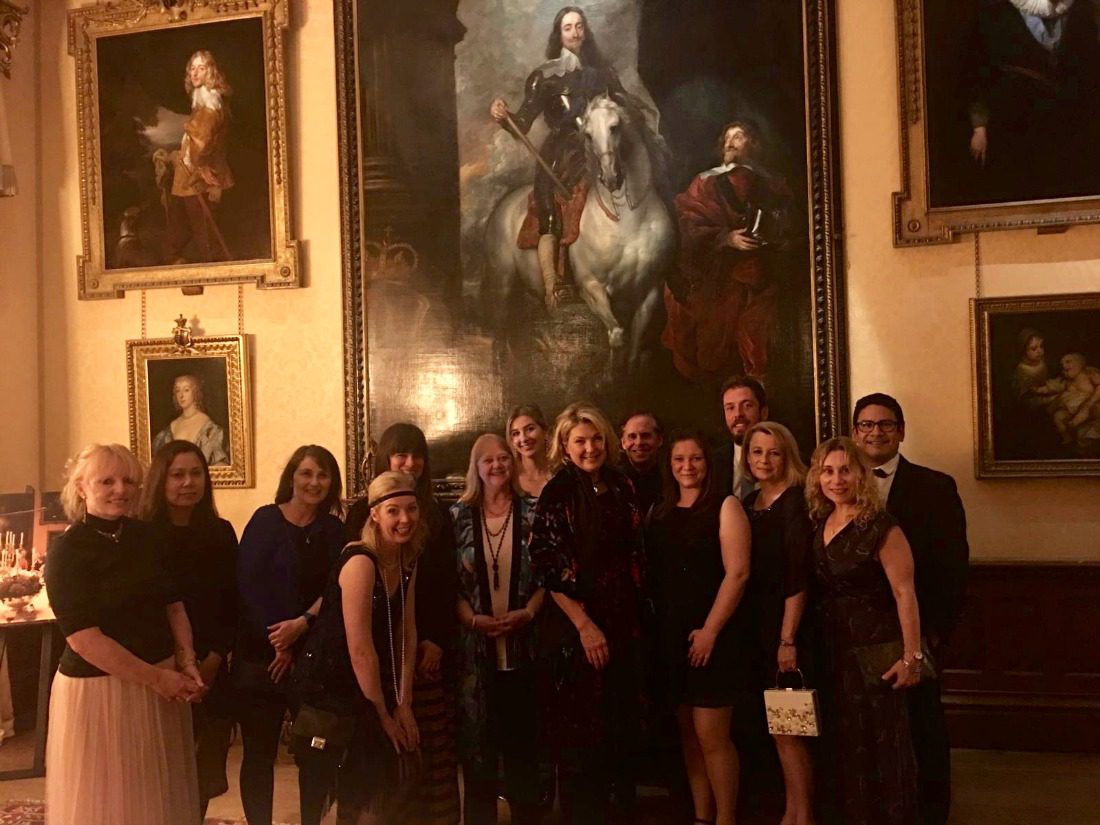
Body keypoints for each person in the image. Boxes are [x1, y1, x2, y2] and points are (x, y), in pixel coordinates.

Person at [45, 443, 202, 825]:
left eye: (129, 480)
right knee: (110, 800)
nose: (121, 489)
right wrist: (158, 678)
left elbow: (173, 605)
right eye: (107, 481)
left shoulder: (145, 536)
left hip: (160, 682)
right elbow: (84, 638)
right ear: (81, 488)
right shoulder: (67, 551)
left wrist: (186, 661)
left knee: (155, 795)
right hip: (99, 691)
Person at [851, 394, 969, 825]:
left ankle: (932, 813)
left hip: (913, 630)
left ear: (900, 431)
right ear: (854, 433)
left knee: (923, 730)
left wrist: (931, 636)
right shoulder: (834, 483)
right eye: (866, 425)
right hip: (853, 632)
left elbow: (952, 565)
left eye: (885, 425)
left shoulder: (935, 487)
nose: (876, 432)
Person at [529, 401, 645, 823]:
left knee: (619, 731)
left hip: (622, 623)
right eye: (580, 440)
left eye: (596, 438)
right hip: (576, 630)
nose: (590, 447)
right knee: (581, 741)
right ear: (564, 445)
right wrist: (585, 626)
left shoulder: (621, 484)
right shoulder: (558, 491)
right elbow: (547, 567)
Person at [346, 423, 460, 824]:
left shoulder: (437, 513)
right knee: (380, 766)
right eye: (401, 455)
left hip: (420, 652)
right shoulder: (360, 517)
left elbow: (446, 584)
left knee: (428, 753)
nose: (410, 463)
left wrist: (436, 640)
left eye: (417, 455)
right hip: (373, 654)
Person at [806, 437, 923, 825]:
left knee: (883, 754)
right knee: (845, 752)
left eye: (845, 470)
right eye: (827, 471)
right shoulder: (821, 521)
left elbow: (905, 593)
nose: (836, 479)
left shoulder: (882, 526)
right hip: (832, 653)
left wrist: (912, 658)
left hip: (876, 656)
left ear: (861, 474)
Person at [295, 471, 422, 825]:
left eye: (411, 509)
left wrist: (405, 703)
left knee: (378, 793)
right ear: (375, 515)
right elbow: (360, 649)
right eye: (394, 511)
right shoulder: (360, 562)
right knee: (346, 797)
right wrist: (384, 715)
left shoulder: (405, 559)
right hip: (335, 688)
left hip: (372, 684)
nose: (405, 519)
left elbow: (407, 633)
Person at [235, 445, 345, 825]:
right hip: (260, 657)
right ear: (292, 477)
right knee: (259, 754)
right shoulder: (265, 520)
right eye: (307, 473)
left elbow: (338, 587)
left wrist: (301, 627)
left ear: (332, 483)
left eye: (323, 475)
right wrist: (279, 643)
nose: (314, 482)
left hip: (314, 659)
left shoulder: (334, 530)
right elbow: (247, 586)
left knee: (315, 753)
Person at [646, 431, 751, 825]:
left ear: (709, 464)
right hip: (672, 637)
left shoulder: (725, 506)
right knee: (689, 737)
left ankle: (726, 819)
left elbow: (738, 574)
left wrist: (710, 630)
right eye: (679, 460)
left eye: (696, 459)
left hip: (714, 635)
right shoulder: (659, 510)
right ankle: (702, 818)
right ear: (668, 466)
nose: (687, 467)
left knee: (713, 737)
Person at [489, 6, 626, 308]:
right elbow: (522, 122)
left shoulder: (604, 74)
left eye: (579, 26)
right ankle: (553, 286)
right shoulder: (545, 77)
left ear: (586, 31)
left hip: (600, 150)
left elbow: (624, 109)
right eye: (568, 27)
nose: (575, 32)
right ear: (559, 34)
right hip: (561, 155)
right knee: (549, 208)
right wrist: (503, 115)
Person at [140, 440, 238, 820]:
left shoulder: (221, 532)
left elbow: (233, 603)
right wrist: (173, 667)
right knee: (160, 770)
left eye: (196, 473)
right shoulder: (141, 536)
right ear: (160, 480)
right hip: (159, 667)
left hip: (211, 668)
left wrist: (212, 660)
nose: (188, 482)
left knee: (203, 770)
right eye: (178, 474)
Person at [452, 434, 545, 825]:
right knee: (478, 752)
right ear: (476, 467)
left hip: (525, 646)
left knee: (524, 751)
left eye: (503, 457)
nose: (496, 465)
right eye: (487, 460)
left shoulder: (534, 512)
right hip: (475, 653)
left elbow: (548, 577)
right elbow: (448, 585)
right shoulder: (457, 516)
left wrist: (527, 613)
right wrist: (472, 620)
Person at [662, 121, 791, 383]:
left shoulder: (771, 184)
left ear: (753, 144)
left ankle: (757, 379)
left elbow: (788, 223)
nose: (730, 143)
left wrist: (772, 236)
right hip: (712, 270)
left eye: (739, 137)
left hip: (759, 269)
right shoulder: (706, 182)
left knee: (759, 316)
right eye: (727, 138)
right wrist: (726, 238)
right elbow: (689, 222)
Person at [740, 421, 815, 825]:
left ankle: (802, 816)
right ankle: (787, 810)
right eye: (756, 452)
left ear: (786, 455)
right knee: (772, 727)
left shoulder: (796, 500)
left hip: (786, 627)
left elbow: (797, 575)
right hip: (754, 625)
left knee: (790, 727)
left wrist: (787, 638)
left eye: (773, 452)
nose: (764, 460)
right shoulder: (750, 500)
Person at [962, 0, 1100, 204]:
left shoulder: (1084, 11)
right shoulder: (994, 14)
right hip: (1015, 124)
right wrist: (979, 126)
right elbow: (976, 74)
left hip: (1071, 125)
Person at [163, 50, 235, 263]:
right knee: (187, 226)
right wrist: (175, 156)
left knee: (205, 232)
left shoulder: (209, 108)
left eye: (201, 68)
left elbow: (201, 143)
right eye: (192, 68)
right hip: (191, 174)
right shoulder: (204, 103)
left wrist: (200, 166)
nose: (195, 73)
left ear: (210, 72)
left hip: (199, 178)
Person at [151, 373, 229, 466]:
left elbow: (221, 465)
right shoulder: (170, 428)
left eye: (186, 390)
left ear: (195, 392)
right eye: (177, 391)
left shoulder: (210, 428)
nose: (181, 395)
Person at [712, 375, 769, 501]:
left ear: (763, 412)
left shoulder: (785, 460)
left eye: (747, 405)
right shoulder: (712, 463)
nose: (738, 414)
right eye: (730, 408)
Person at [618, 411, 665, 517]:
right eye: (632, 436)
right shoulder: (612, 482)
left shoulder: (673, 481)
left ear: (659, 440)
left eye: (646, 436)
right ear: (623, 443)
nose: (639, 442)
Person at [507, 404, 554, 498]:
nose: (523, 438)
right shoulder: (508, 477)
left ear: (545, 431)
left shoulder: (562, 474)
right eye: (516, 433)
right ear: (511, 441)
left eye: (530, 429)